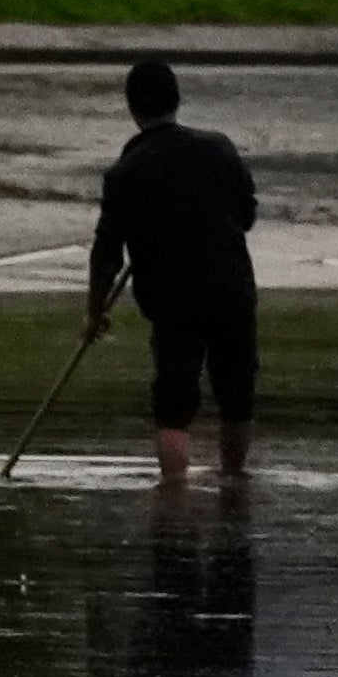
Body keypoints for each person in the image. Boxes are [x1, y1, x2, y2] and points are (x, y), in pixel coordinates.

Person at [88, 56, 259, 484]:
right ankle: (234, 485)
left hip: (173, 300)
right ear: (177, 100)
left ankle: (173, 502)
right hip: (231, 292)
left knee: (174, 405)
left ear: (132, 108)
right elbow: (247, 215)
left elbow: (106, 252)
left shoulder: (125, 173)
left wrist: (96, 310)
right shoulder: (219, 148)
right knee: (237, 396)